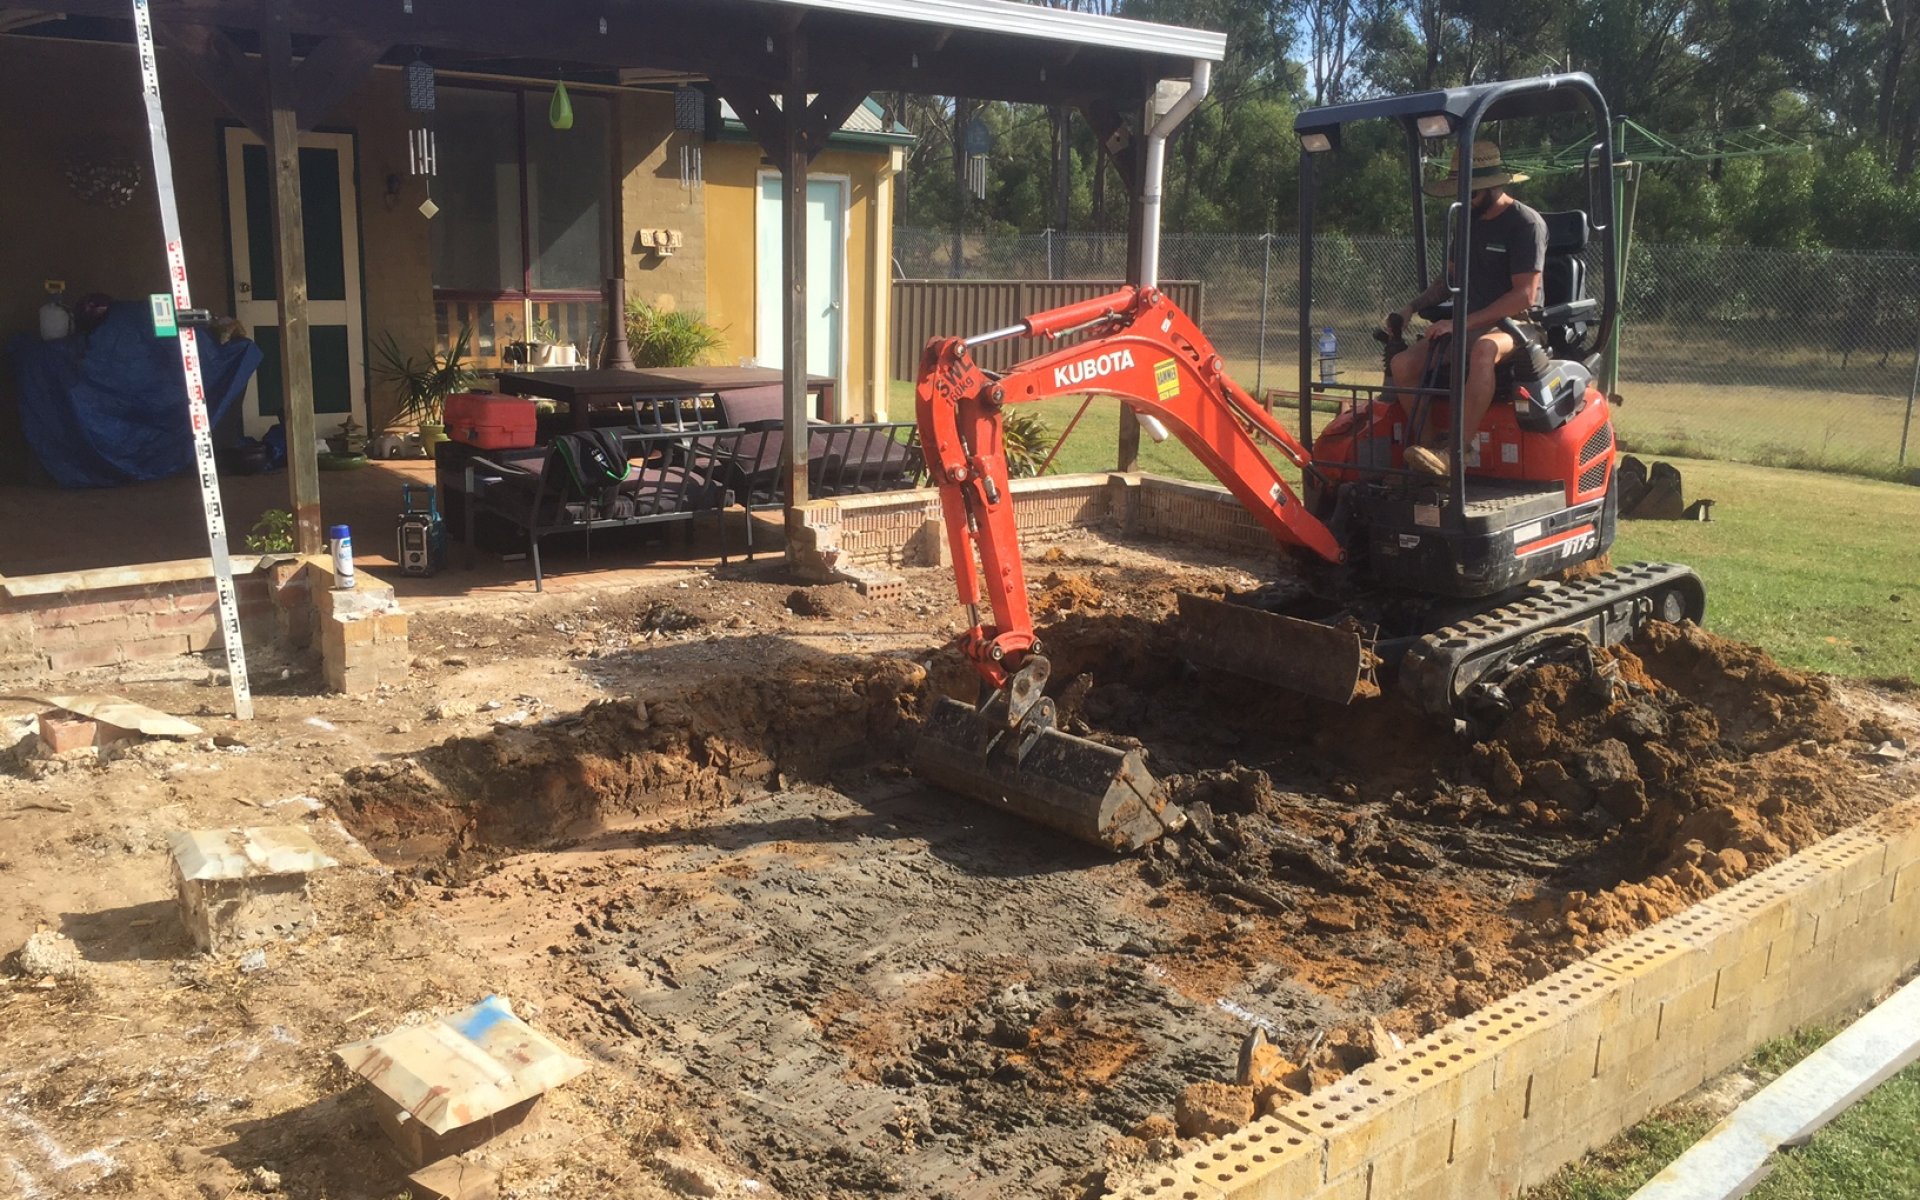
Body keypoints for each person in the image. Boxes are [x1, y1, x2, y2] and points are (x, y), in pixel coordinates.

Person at [1388, 140, 1546, 477]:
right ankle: (1431, 455)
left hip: (1518, 328)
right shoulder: (1467, 224)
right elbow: (1448, 281)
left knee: (1484, 350)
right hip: (1469, 325)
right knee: (1402, 364)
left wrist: (1460, 325)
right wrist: (1410, 308)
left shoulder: (1525, 224)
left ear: (1492, 186)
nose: (1465, 201)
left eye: (1471, 193)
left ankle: (1456, 450)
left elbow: (1524, 296)